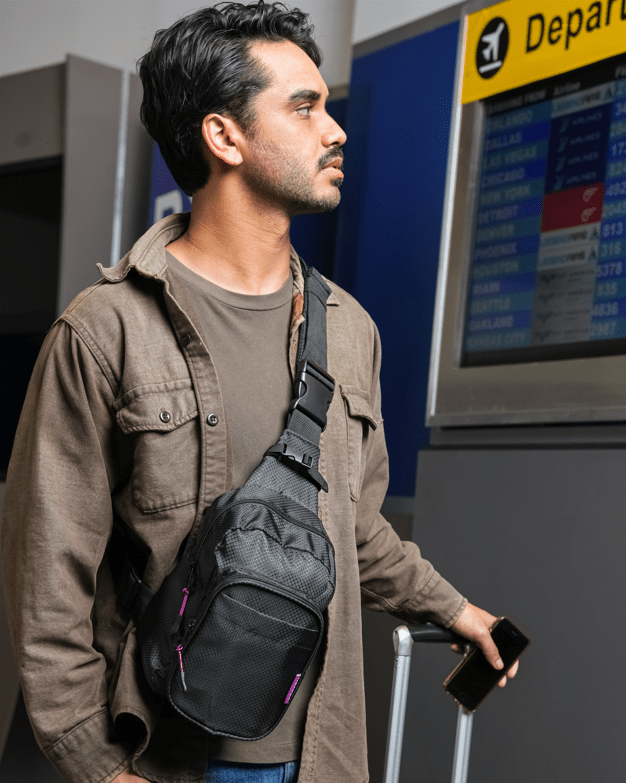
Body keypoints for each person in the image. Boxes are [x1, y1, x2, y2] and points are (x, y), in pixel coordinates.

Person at [1, 3, 518, 783]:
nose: (335, 130)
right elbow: (47, 573)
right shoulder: (103, 331)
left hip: (320, 752)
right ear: (224, 136)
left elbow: (355, 531)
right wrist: (99, 767)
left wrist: (454, 609)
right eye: (304, 106)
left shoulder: (352, 331)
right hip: (164, 757)